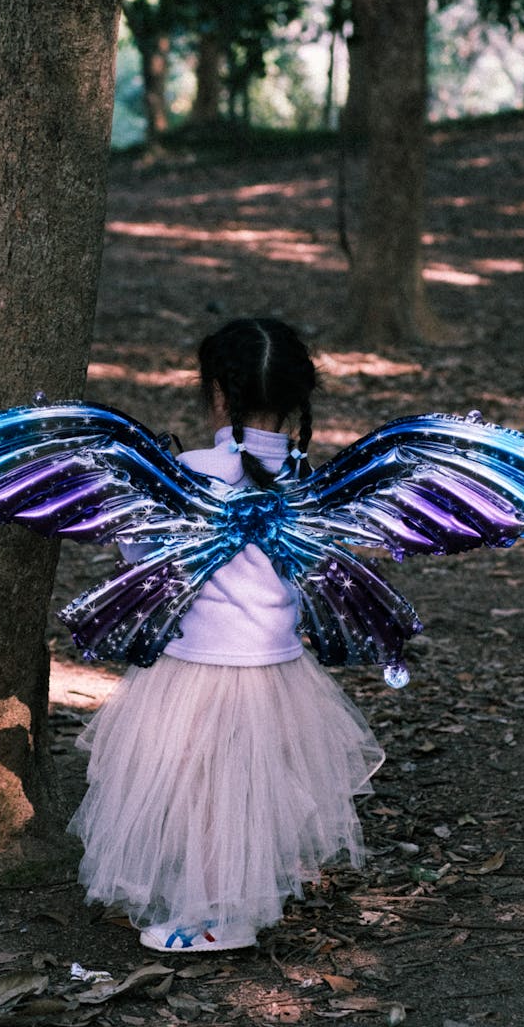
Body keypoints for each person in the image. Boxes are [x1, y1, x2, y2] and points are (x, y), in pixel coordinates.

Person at [67, 318, 385, 953]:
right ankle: (233, 904)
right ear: (300, 399)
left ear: (215, 393)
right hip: (277, 667)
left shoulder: (183, 474)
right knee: (250, 785)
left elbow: (140, 554)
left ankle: (208, 915)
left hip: (196, 665)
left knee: (198, 791)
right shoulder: (311, 483)